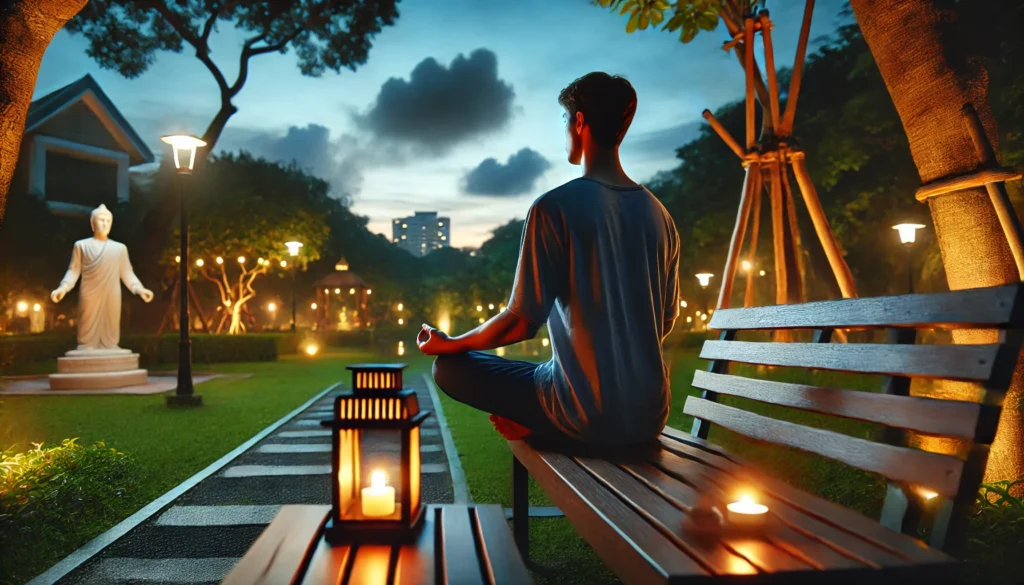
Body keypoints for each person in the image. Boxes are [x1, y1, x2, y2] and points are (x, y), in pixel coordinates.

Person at [418, 72, 680, 447]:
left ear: (579, 122)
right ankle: (554, 420)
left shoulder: (553, 207)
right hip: (648, 416)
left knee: (449, 369)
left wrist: (452, 343)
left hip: (585, 413)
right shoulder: (660, 216)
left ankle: (551, 429)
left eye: (566, 121)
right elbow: (664, 321)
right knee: (545, 373)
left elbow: (520, 324)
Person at [51, 204, 154, 351]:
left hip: (112, 291)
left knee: (111, 320)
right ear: (93, 224)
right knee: (87, 318)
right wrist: (63, 288)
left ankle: (111, 344)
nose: (105, 224)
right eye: (101, 220)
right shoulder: (81, 245)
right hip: (90, 290)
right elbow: (73, 270)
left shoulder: (119, 248)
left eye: (108, 221)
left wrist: (139, 289)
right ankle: (86, 344)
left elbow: (127, 272)